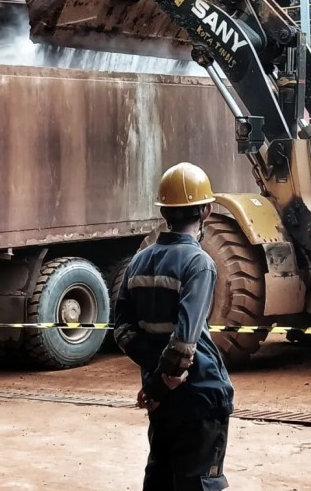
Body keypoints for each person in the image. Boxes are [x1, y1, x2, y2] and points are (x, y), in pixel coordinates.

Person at [114, 162, 233, 490]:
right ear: (206, 211)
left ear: (164, 211)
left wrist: (155, 384)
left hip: (162, 400)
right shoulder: (199, 264)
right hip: (200, 395)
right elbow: (184, 343)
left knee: (161, 479)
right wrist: (163, 381)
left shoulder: (138, 261)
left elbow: (121, 330)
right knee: (199, 483)